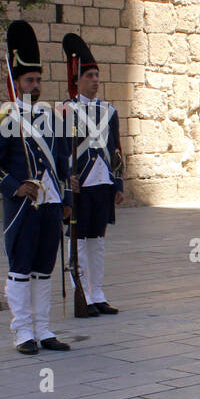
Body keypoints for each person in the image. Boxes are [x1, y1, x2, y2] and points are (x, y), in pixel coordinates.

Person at [0, 21, 72, 354]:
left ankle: (44, 330)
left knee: (44, 268)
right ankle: (22, 332)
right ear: (16, 82)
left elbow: (62, 165)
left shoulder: (52, 118)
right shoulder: (4, 120)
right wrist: (15, 188)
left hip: (49, 203)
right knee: (21, 268)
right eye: (29, 80)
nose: (35, 86)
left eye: (38, 81)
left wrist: (67, 199)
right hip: (22, 207)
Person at [59, 32, 124, 315]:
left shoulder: (109, 111)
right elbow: (58, 151)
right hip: (79, 185)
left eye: (97, 75)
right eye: (90, 76)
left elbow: (117, 149)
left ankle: (98, 293)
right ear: (78, 80)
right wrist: (65, 181)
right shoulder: (64, 111)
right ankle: (82, 293)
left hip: (102, 184)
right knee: (80, 241)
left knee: (98, 240)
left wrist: (118, 182)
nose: (96, 80)